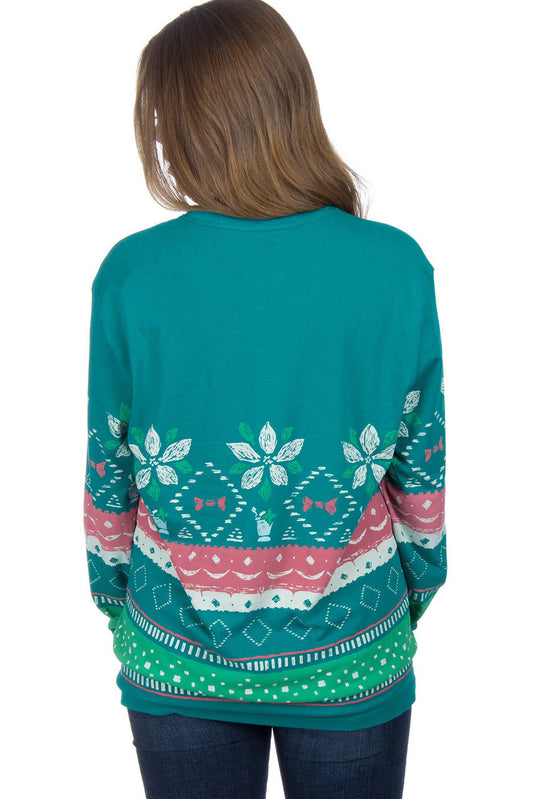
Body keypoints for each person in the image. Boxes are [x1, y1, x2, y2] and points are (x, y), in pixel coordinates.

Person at [83, 1, 447, 797]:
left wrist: (119, 599)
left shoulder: (133, 273)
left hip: (174, 648)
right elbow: (419, 462)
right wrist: (411, 589)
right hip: (352, 646)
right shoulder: (393, 266)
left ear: (180, 121)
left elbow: (110, 462)